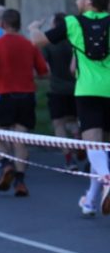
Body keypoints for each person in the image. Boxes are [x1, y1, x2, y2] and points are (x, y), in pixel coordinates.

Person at [30, 0, 110, 216]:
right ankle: (90, 201)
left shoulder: (72, 23)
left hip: (87, 90)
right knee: (103, 149)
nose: (76, 2)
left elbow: (37, 41)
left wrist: (34, 26)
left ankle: (107, 181)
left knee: (93, 144)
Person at [0, 8, 49, 197]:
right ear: (19, 24)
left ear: (2, 24)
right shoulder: (30, 45)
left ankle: (6, 163)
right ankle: (20, 180)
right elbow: (44, 72)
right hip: (26, 96)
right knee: (20, 138)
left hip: (4, 94)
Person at [40, 14, 81, 172]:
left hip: (56, 89)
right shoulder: (75, 41)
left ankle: (69, 159)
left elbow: (45, 69)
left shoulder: (50, 45)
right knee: (75, 121)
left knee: (59, 124)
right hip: (77, 88)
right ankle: (78, 140)